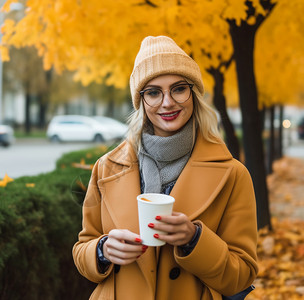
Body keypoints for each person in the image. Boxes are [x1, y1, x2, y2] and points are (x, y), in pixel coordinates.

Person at [72, 36, 258, 300]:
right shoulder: (107, 168)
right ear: (141, 101)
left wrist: (194, 238)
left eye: (178, 88)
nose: (167, 102)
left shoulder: (233, 174)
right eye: (153, 92)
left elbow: (242, 274)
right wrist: (102, 251)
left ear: (193, 93)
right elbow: (82, 250)